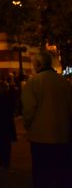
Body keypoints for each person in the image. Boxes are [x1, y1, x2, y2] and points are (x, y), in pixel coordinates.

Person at [21, 51, 72, 188]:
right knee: (63, 176)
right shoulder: (65, 83)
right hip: (63, 136)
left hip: (41, 138)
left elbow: (29, 111)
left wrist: (28, 127)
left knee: (42, 177)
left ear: (38, 64)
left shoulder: (32, 84)